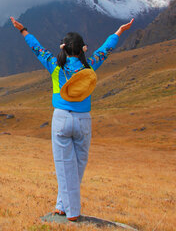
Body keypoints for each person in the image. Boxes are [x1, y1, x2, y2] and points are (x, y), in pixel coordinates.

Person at [10, 16, 134, 221]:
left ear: (63, 47)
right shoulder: (90, 66)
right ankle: (63, 206)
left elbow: (36, 48)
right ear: (83, 49)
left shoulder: (54, 65)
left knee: (63, 164)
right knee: (77, 165)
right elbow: (106, 48)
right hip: (83, 120)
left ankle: (70, 211)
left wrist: (23, 30)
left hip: (61, 118)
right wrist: (119, 32)